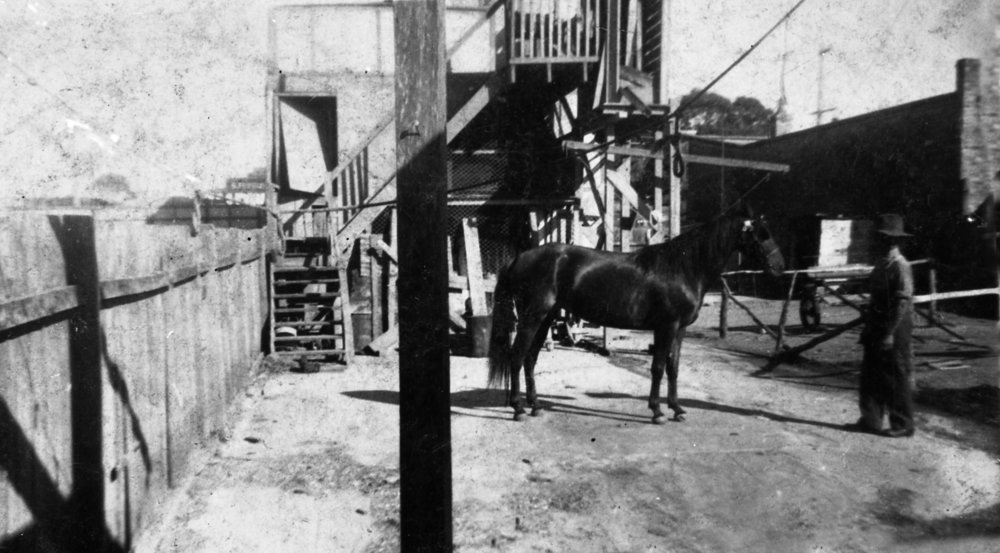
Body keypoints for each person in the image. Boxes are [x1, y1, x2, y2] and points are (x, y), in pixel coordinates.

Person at [853, 213, 916, 437]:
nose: (878, 241)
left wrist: (889, 333)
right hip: (877, 323)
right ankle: (871, 420)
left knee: (895, 376)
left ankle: (903, 424)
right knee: (870, 372)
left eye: (883, 238)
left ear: (893, 241)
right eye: (878, 237)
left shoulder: (900, 266)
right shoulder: (881, 264)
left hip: (895, 326)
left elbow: (902, 302)